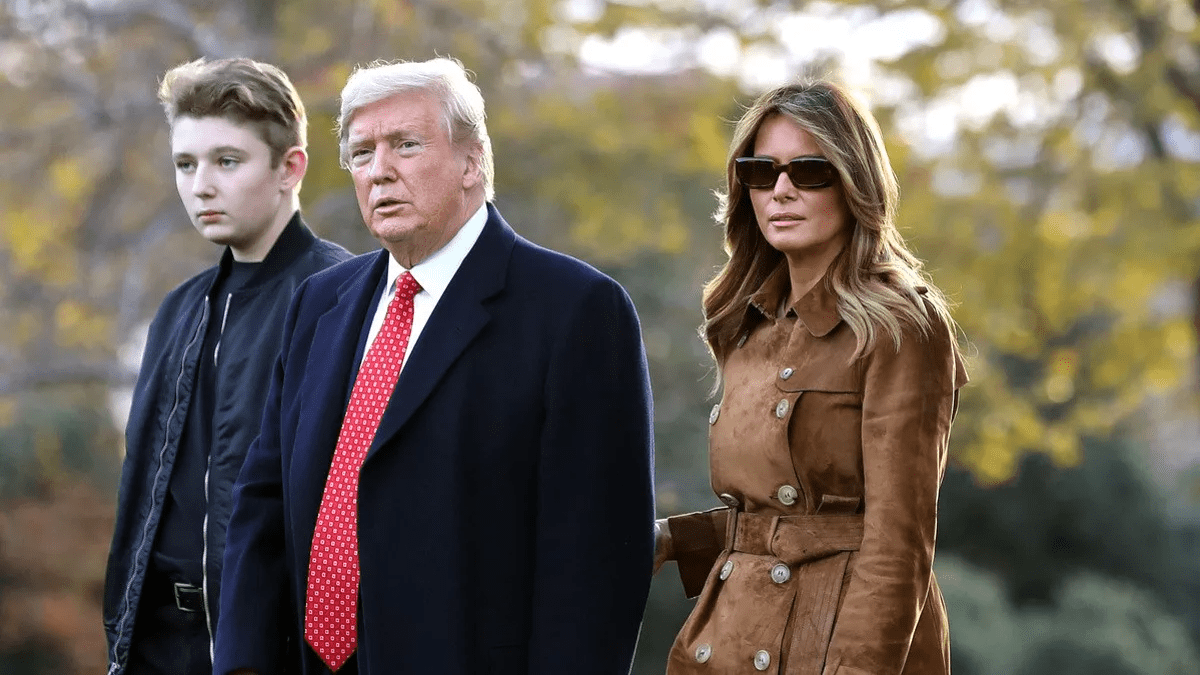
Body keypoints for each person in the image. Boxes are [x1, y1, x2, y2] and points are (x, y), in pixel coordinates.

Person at [213, 56, 656, 675]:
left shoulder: (576, 310)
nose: (379, 171)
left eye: (406, 145)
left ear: (473, 162)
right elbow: (262, 506)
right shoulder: (318, 304)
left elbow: (597, 561)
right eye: (361, 153)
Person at [653, 80, 968, 675]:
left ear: (855, 182)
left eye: (810, 171)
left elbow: (897, 544)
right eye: (759, 171)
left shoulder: (900, 325)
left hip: (834, 650)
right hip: (726, 639)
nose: (781, 190)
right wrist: (671, 540)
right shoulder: (746, 324)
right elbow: (778, 519)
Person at [102, 58, 353, 675]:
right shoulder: (178, 310)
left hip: (273, 648)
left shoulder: (344, 298)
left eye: (227, 161)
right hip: (157, 644)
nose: (201, 185)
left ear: (289, 167)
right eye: (185, 165)